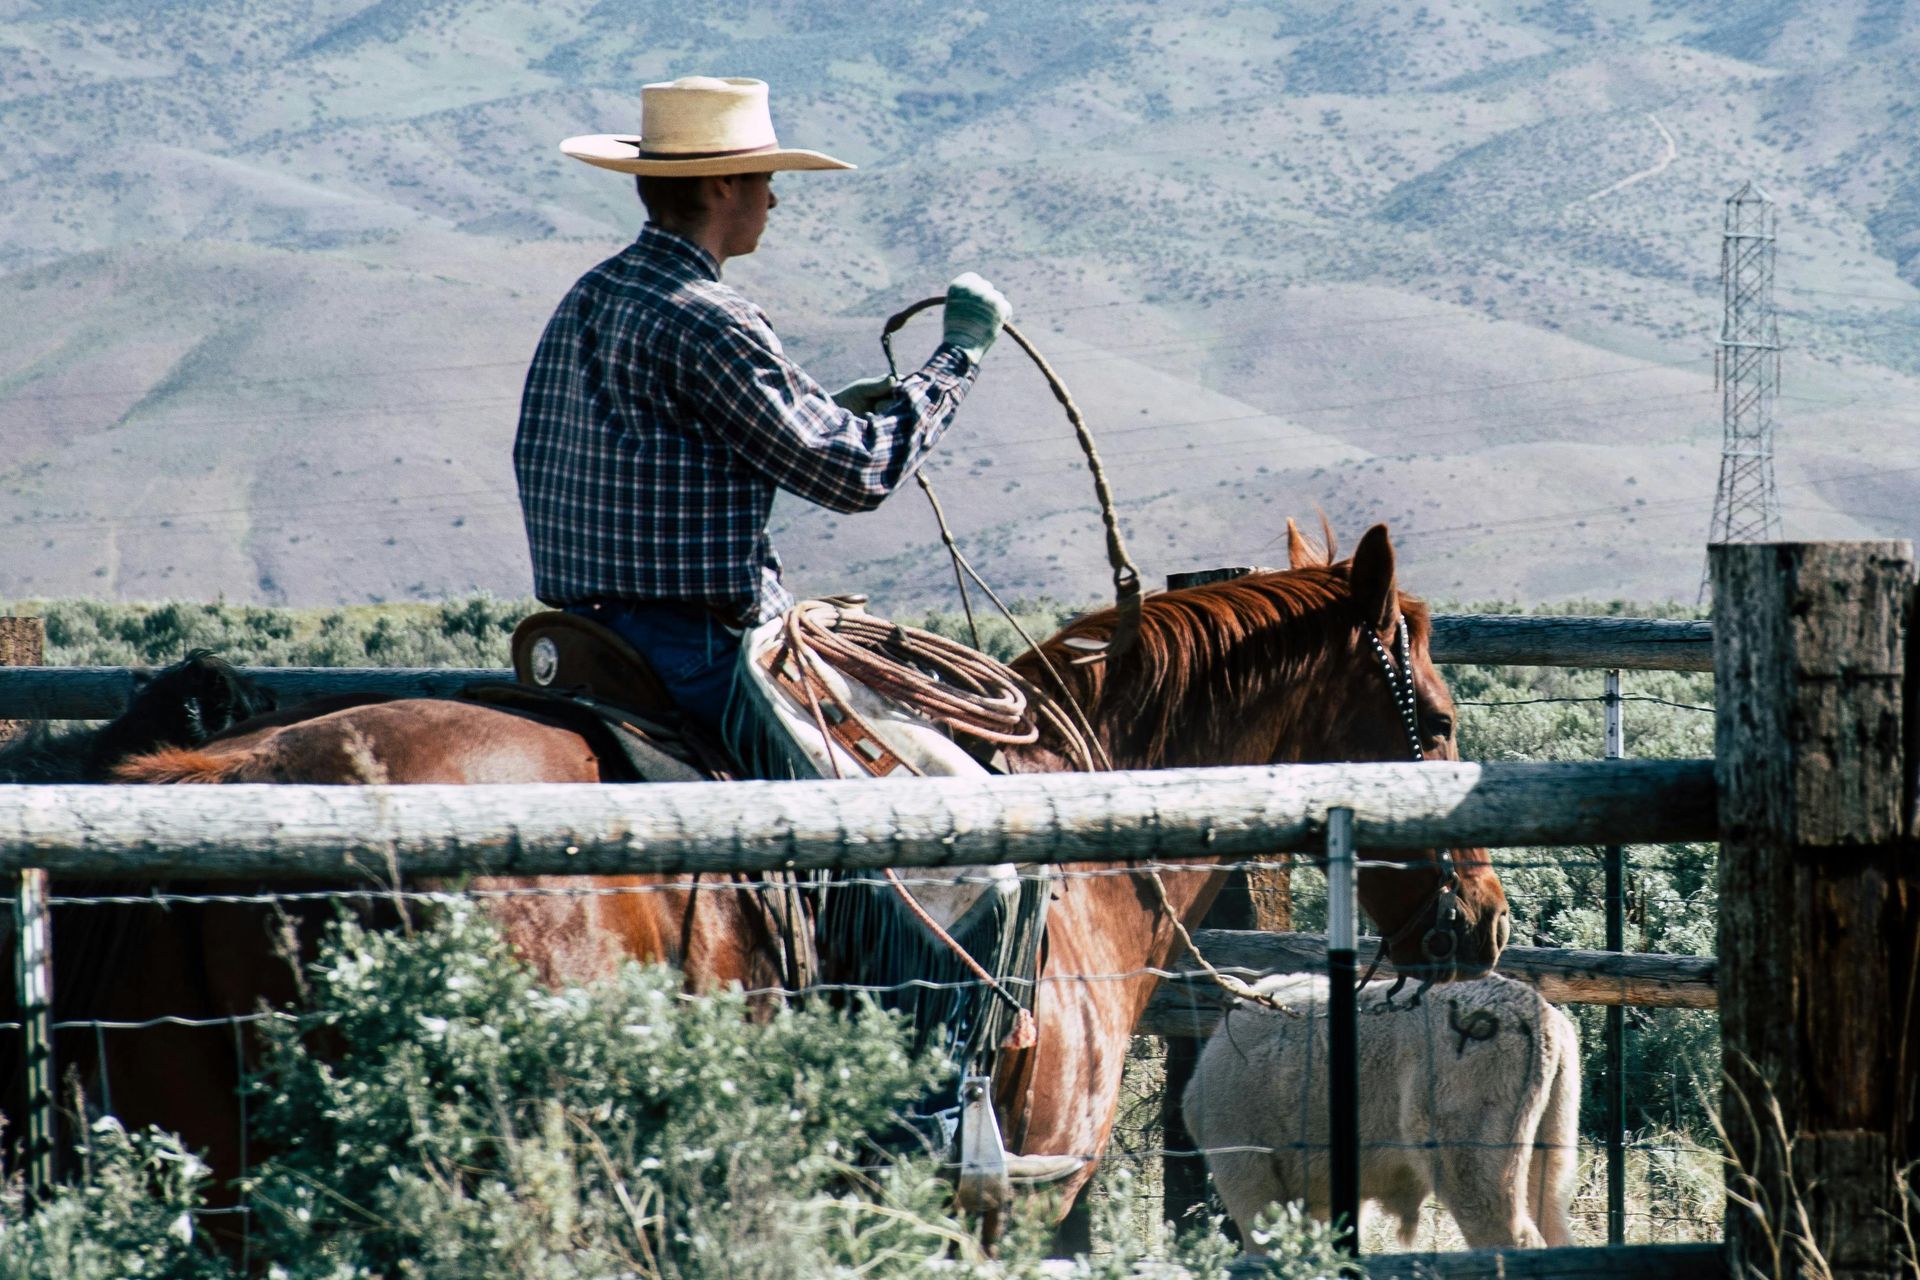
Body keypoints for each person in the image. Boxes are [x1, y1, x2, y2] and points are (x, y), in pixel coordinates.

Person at [514, 75, 1011, 744]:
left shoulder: (594, 293)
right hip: (695, 646)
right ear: (723, 186)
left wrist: (826, 410)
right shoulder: (709, 318)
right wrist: (959, 355)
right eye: (764, 177)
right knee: (895, 798)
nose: (773, 197)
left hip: (586, 636)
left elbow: (650, 448)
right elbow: (857, 472)